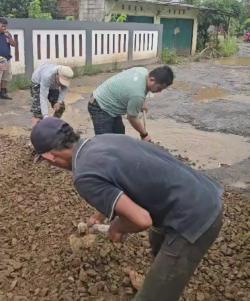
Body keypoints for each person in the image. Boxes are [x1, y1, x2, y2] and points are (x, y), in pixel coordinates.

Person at [30, 117, 223, 301]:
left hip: (195, 216)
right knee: (157, 238)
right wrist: (100, 213)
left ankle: (160, 289)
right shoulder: (101, 140)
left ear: (50, 156)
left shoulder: (83, 175)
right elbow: (121, 182)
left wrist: (117, 228)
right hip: (201, 189)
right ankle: (163, 280)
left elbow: (142, 220)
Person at [88, 65, 174, 141]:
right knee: (106, 142)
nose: (159, 91)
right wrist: (144, 134)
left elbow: (137, 87)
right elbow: (132, 118)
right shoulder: (137, 95)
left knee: (119, 136)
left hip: (110, 101)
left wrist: (142, 102)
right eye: (159, 88)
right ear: (152, 79)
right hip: (99, 105)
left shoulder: (142, 71)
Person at [30, 63, 74, 127]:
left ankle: (53, 125)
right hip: (38, 82)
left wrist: (59, 102)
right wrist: (45, 116)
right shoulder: (47, 76)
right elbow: (43, 97)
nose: (61, 84)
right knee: (38, 110)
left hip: (53, 85)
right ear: (57, 75)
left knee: (60, 107)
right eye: (60, 81)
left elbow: (64, 89)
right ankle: (36, 132)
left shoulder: (67, 75)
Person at [0, 17, 16, 100]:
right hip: (0, 60)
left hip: (7, 59)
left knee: (5, 77)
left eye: (5, 26)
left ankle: (3, 93)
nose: (5, 28)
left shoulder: (7, 34)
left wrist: (9, 38)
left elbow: (13, 44)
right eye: (3, 26)